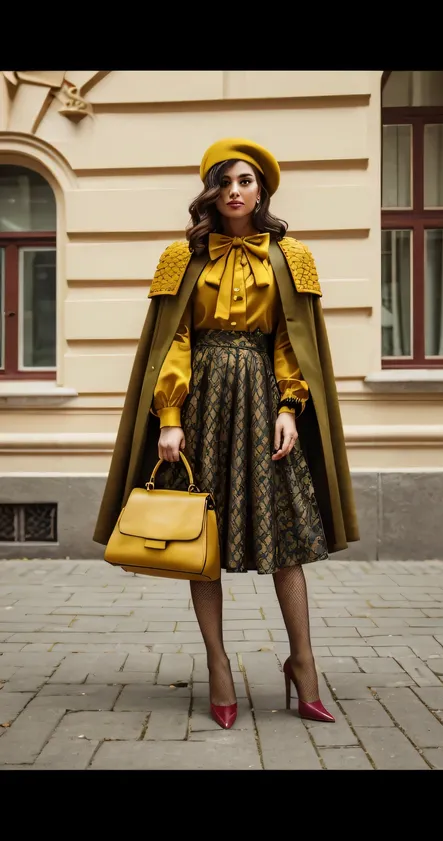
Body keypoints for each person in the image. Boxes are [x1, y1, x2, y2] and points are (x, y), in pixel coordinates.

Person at [94, 138, 359, 730]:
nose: (235, 191)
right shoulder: (182, 257)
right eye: (225, 182)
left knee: (286, 540)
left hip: (265, 403)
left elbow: (294, 341)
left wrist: (291, 406)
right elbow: (175, 340)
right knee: (201, 541)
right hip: (204, 403)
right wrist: (169, 418)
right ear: (212, 192)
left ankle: (304, 664)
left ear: (262, 189)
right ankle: (218, 666)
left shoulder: (290, 257)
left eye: (245, 180)